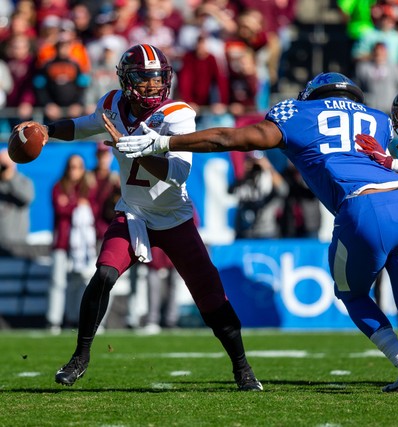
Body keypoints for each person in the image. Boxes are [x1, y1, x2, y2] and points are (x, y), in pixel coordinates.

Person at [110, 72, 398, 392]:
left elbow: (230, 138)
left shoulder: (298, 113)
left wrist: (164, 142)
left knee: (352, 295)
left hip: (361, 206)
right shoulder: (377, 119)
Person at [14, 44, 262, 391]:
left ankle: (242, 368)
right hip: (133, 215)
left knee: (210, 295)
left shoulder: (177, 114)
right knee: (103, 274)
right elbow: (84, 126)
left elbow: (177, 173)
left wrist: (138, 149)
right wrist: (47, 129)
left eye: (157, 78)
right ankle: (80, 357)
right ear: (127, 80)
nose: (151, 86)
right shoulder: (114, 104)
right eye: (144, 79)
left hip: (174, 219)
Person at [46, 154, 98, 334]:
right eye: (71, 166)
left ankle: (74, 317)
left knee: (79, 281)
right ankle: (54, 320)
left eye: (78, 167)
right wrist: (76, 204)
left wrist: (71, 203)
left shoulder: (87, 187)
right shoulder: (58, 186)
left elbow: (93, 209)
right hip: (62, 241)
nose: (74, 170)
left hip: (82, 245)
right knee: (58, 282)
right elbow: (60, 208)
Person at [0, 149, 34, 257]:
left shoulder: (23, 182)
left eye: (5, 165)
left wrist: (11, 179)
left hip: (17, 244)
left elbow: (27, 198)